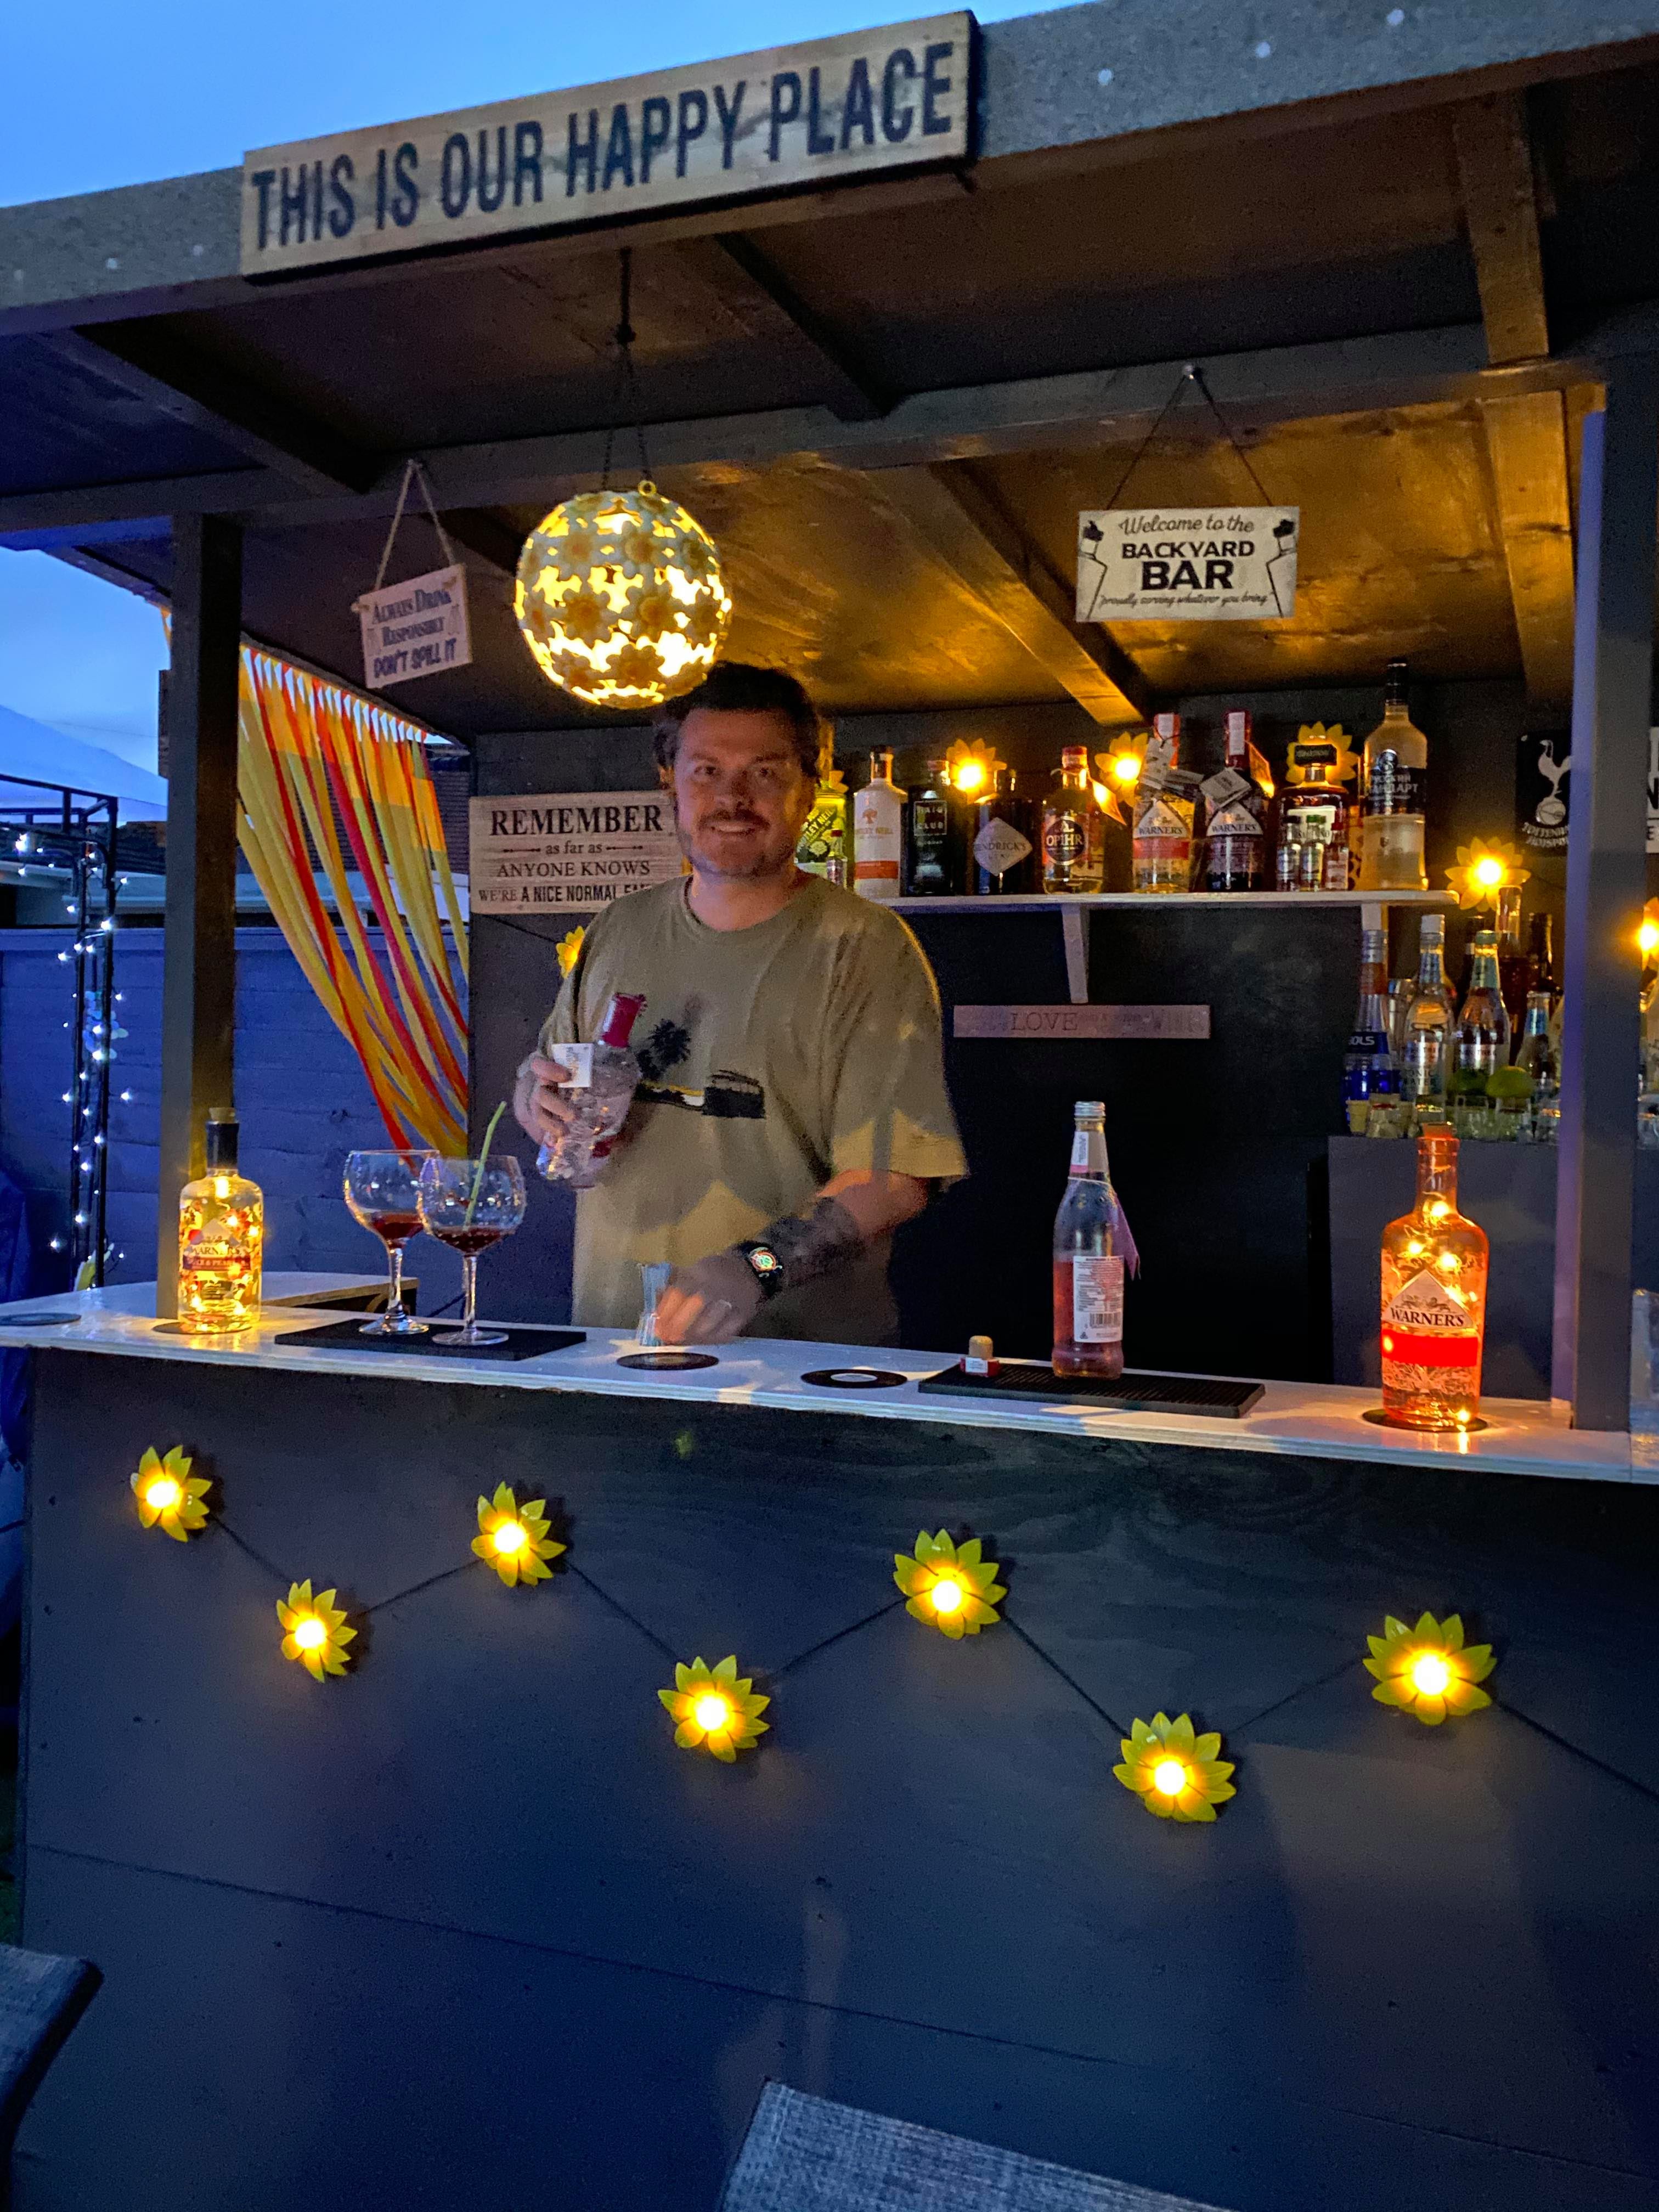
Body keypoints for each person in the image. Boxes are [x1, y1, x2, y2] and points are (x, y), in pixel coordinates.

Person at [512, 663, 966, 1346]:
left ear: (809, 791)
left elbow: (897, 1176)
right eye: (706, 771)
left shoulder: (865, 948)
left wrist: (755, 1267)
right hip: (612, 1344)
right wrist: (532, 1096)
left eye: (764, 772)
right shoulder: (618, 928)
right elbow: (547, 1081)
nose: (733, 797)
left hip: (792, 1368)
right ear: (671, 781)